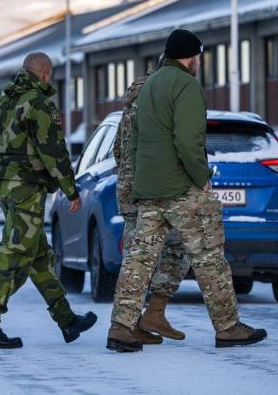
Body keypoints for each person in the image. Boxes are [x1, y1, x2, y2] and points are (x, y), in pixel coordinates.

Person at [106, 30, 267, 353]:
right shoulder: (186, 85)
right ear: (191, 56)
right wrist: (201, 177)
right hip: (181, 188)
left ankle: (121, 328)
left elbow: (133, 142)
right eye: (199, 57)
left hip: (148, 189)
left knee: (138, 261)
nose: (199, 62)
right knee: (209, 257)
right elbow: (188, 140)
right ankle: (228, 327)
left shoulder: (147, 86)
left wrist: (141, 183)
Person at [0, 52, 97, 349]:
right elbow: (53, 150)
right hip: (27, 188)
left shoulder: (3, 102)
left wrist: (4, 178)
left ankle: (67, 321)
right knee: (14, 253)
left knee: (40, 257)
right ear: (44, 74)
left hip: (7, 186)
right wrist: (70, 189)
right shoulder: (39, 104)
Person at [113, 58, 190, 344]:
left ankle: (139, 320)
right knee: (175, 248)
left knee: (137, 256)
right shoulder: (162, 96)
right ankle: (140, 318)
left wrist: (127, 178)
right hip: (153, 189)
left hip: (129, 190)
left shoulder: (131, 102)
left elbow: (118, 150)